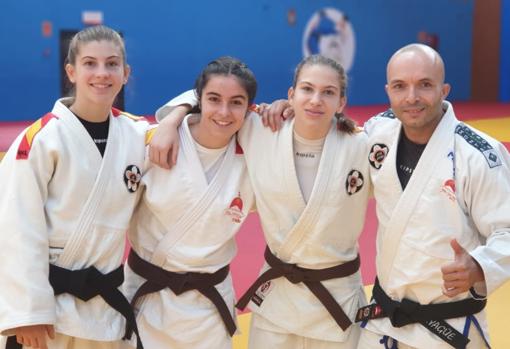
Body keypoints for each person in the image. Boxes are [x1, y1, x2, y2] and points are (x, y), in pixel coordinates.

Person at [151, 54, 372, 349]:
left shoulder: (363, 147)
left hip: (337, 301)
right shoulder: (261, 129)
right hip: (277, 302)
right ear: (291, 95)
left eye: (328, 92)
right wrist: (172, 120)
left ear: (342, 102)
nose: (316, 100)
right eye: (307, 89)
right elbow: (214, 95)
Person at [0, 25, 149, 349]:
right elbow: (16, 227)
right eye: (90, 64)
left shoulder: (139, 135)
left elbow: (196, 121)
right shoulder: (40, 139)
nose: (102, 73)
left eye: (112, 64)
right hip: (48, 313)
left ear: (126, 73)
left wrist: (179, 111)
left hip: (105, 311)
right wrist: (28, 313)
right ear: (71, 71)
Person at [355, 44, 510, 348]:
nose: (411, 97)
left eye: (425, 85)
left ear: (444, 89)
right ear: (388, 91)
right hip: (384, 321)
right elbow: (329, 146)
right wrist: (285, 113)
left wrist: (480, 265)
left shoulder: (478, 154)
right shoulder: (377, 133)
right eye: (400, 86)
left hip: (449, 326)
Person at [121, 57, 257, 349]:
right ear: (199, 100)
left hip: (208, 307)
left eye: (236, 102)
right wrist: (171, 119)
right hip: (147, 299)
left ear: (249, 109)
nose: (223, 112)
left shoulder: (256, 153)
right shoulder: (156, 142)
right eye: (213, 99)